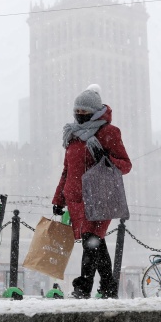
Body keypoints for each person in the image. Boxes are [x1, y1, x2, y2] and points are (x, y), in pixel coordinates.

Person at [52, 84, 132, 299]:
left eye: (84, 112)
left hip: (100, 196)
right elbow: (66, 171)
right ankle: (107, 287)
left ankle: (83, 286)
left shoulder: (108, 132)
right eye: (77, 112)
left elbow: (125, 164)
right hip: (76, 199)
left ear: (95, 112)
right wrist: (59, 199)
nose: (79, 116)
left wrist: (105, 160)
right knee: (95, 241)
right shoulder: (73, 136)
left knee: (91, 240)